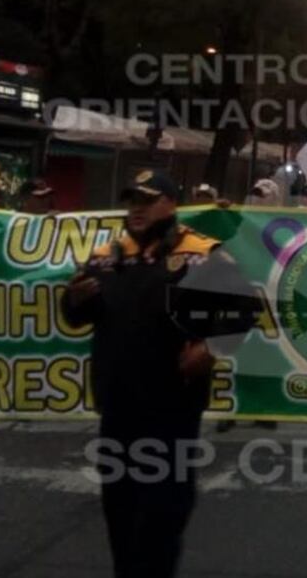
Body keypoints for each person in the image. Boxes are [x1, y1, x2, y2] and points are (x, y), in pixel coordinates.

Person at [61, 170, 220, 578]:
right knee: (121, 511)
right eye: (132, 199)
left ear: (170, 204)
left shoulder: (200, 253)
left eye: (148, 200)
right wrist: (73, 301)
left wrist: (210, 347)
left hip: (172, 411)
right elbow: (78, 315)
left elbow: (243, 315)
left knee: (162, 515)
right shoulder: (107, 255)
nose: (137, 208)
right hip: (118, 407)